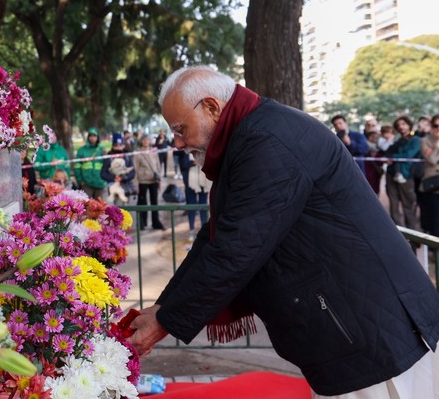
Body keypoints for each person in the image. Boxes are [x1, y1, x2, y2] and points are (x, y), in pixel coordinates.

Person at [130, 66, 439, 398]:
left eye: (180, 128)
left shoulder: (267, 140)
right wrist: (163, 308)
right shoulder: (253, 134)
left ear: (211, 107)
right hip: (354, 323)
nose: (177, 142)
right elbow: (216, 237)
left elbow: (237, 248)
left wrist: (165, 322)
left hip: (373, 334)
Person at [384, 116, 422, 231]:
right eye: (398, 125)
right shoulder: (398, 141)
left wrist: (393, 157)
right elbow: (387, 152)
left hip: (406, 176)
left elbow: (408, 156)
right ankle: (399, 234)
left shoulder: (416, 140)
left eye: (403, 124)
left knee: (408, 207)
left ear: (409, 125)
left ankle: (414, 237)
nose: (401, 127)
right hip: (391, 174)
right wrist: (390, 157)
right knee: (394, 206)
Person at [133, 133, 165, 230]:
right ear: (141, 141)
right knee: (142, 202)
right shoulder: (137, 153)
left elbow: (158, 165)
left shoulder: (154, 151)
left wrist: (159, 180)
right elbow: (135, 168)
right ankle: (142, 222)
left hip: (154, 180)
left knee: (154, 202)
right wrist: (136, 184)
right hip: (142, 181)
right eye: (144, 140)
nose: (146, 141)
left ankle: (156, 222)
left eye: (147, 139)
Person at [100, 133, 137, 203]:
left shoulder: (127, 157)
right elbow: (103, 173)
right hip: (113, 188)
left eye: (120, 145)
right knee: (117, 211)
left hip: (126, 188)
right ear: (113, 146)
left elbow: (132, 172)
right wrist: (114, 177)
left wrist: (123, 178)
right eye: (116, 145)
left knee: (127, 211)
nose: (119, 147)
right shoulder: (108, 157)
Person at [419, 115, 439, 237]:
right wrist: (437, 144)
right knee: (435, 218)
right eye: (436, 126)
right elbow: (431, 160)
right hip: (433, 184)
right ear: (432, 126)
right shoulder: (425, 141)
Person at [74, 128, 107, 200]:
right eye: (91, 136)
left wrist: (106, 156)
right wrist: (80, 181)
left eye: (94, 136)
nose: (92, 138)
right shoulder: (82, 150)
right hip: (86, 184)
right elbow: (77, 166)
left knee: (100, 208)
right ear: (88, 137)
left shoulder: (102, 150)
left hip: (100, 183)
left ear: (97, 137)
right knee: (86, 207)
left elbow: (107, 165)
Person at [184, 160, 209, 242]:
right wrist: (192, 162)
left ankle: (204, 230)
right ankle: (191, 230)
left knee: (203, 207)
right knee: (191, 207)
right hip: (190, 182)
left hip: (204, 179)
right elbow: (182, 164)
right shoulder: (186, 149)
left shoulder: (205, 148)